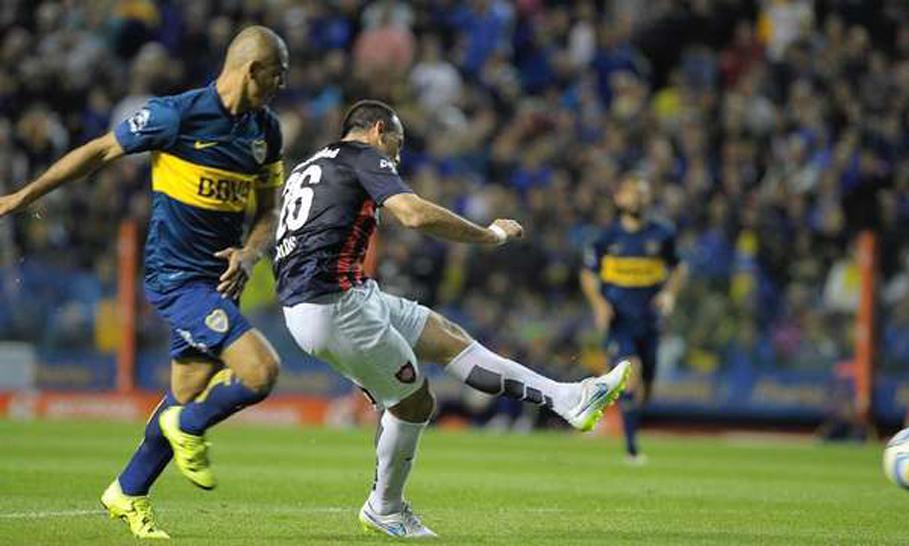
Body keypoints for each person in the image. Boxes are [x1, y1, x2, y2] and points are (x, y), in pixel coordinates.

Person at [274, 100, 630, 538]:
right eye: (397, 144)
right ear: (378, 130)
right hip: (332, 304)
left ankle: (568, 398)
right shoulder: (363, 156)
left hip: (338, 295)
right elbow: (414, 214)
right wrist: (489, 234)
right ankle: (385, 507)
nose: (397, 157)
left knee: (447, 337)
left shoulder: (309, 166)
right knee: (413, 403)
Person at [0, 26, 289, 539]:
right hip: (176, 278)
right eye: (278, 74)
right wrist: (24, 197)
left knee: (185, 392)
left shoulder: (266, 131)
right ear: (252, 70)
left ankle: (128, 491)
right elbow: (98, 152)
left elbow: (269, 210)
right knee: (261, 371)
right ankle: (190, 427)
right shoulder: (176, 114)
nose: (282, 85)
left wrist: (250, 252)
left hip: (221, 284)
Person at [580, 174, 686, 464]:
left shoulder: (662, 233)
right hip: (620, 319)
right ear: (619, 198)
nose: (636, 198)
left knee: (646, 384)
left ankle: (627, 426)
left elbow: (678, 268)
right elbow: (588, 274)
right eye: (631, 193)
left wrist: (669, 294)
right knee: (632, 373)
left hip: (650, 319)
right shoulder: (606, 237)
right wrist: (599, 304)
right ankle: (631, 449)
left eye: (641, 193)